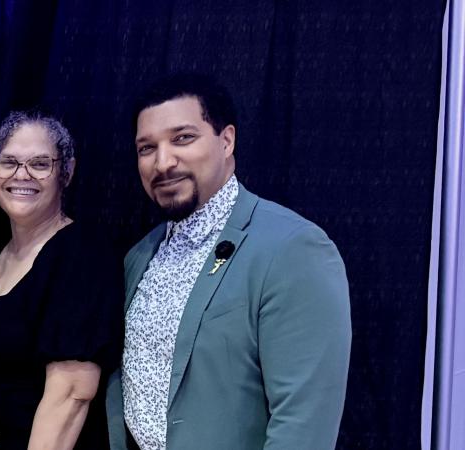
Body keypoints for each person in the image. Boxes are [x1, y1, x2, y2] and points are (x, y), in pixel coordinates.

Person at [106, 73, 352, 449]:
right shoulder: (138, 256)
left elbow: (304, 424)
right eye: (146, 148)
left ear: (227, 140)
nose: (163, 162)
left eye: (182, 138)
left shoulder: (292, 248)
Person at [0, 111, 123, 449]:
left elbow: (72, 395)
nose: (22, 175)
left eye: (40, 164)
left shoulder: (83, 253)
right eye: (9, 162)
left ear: (67, 171)